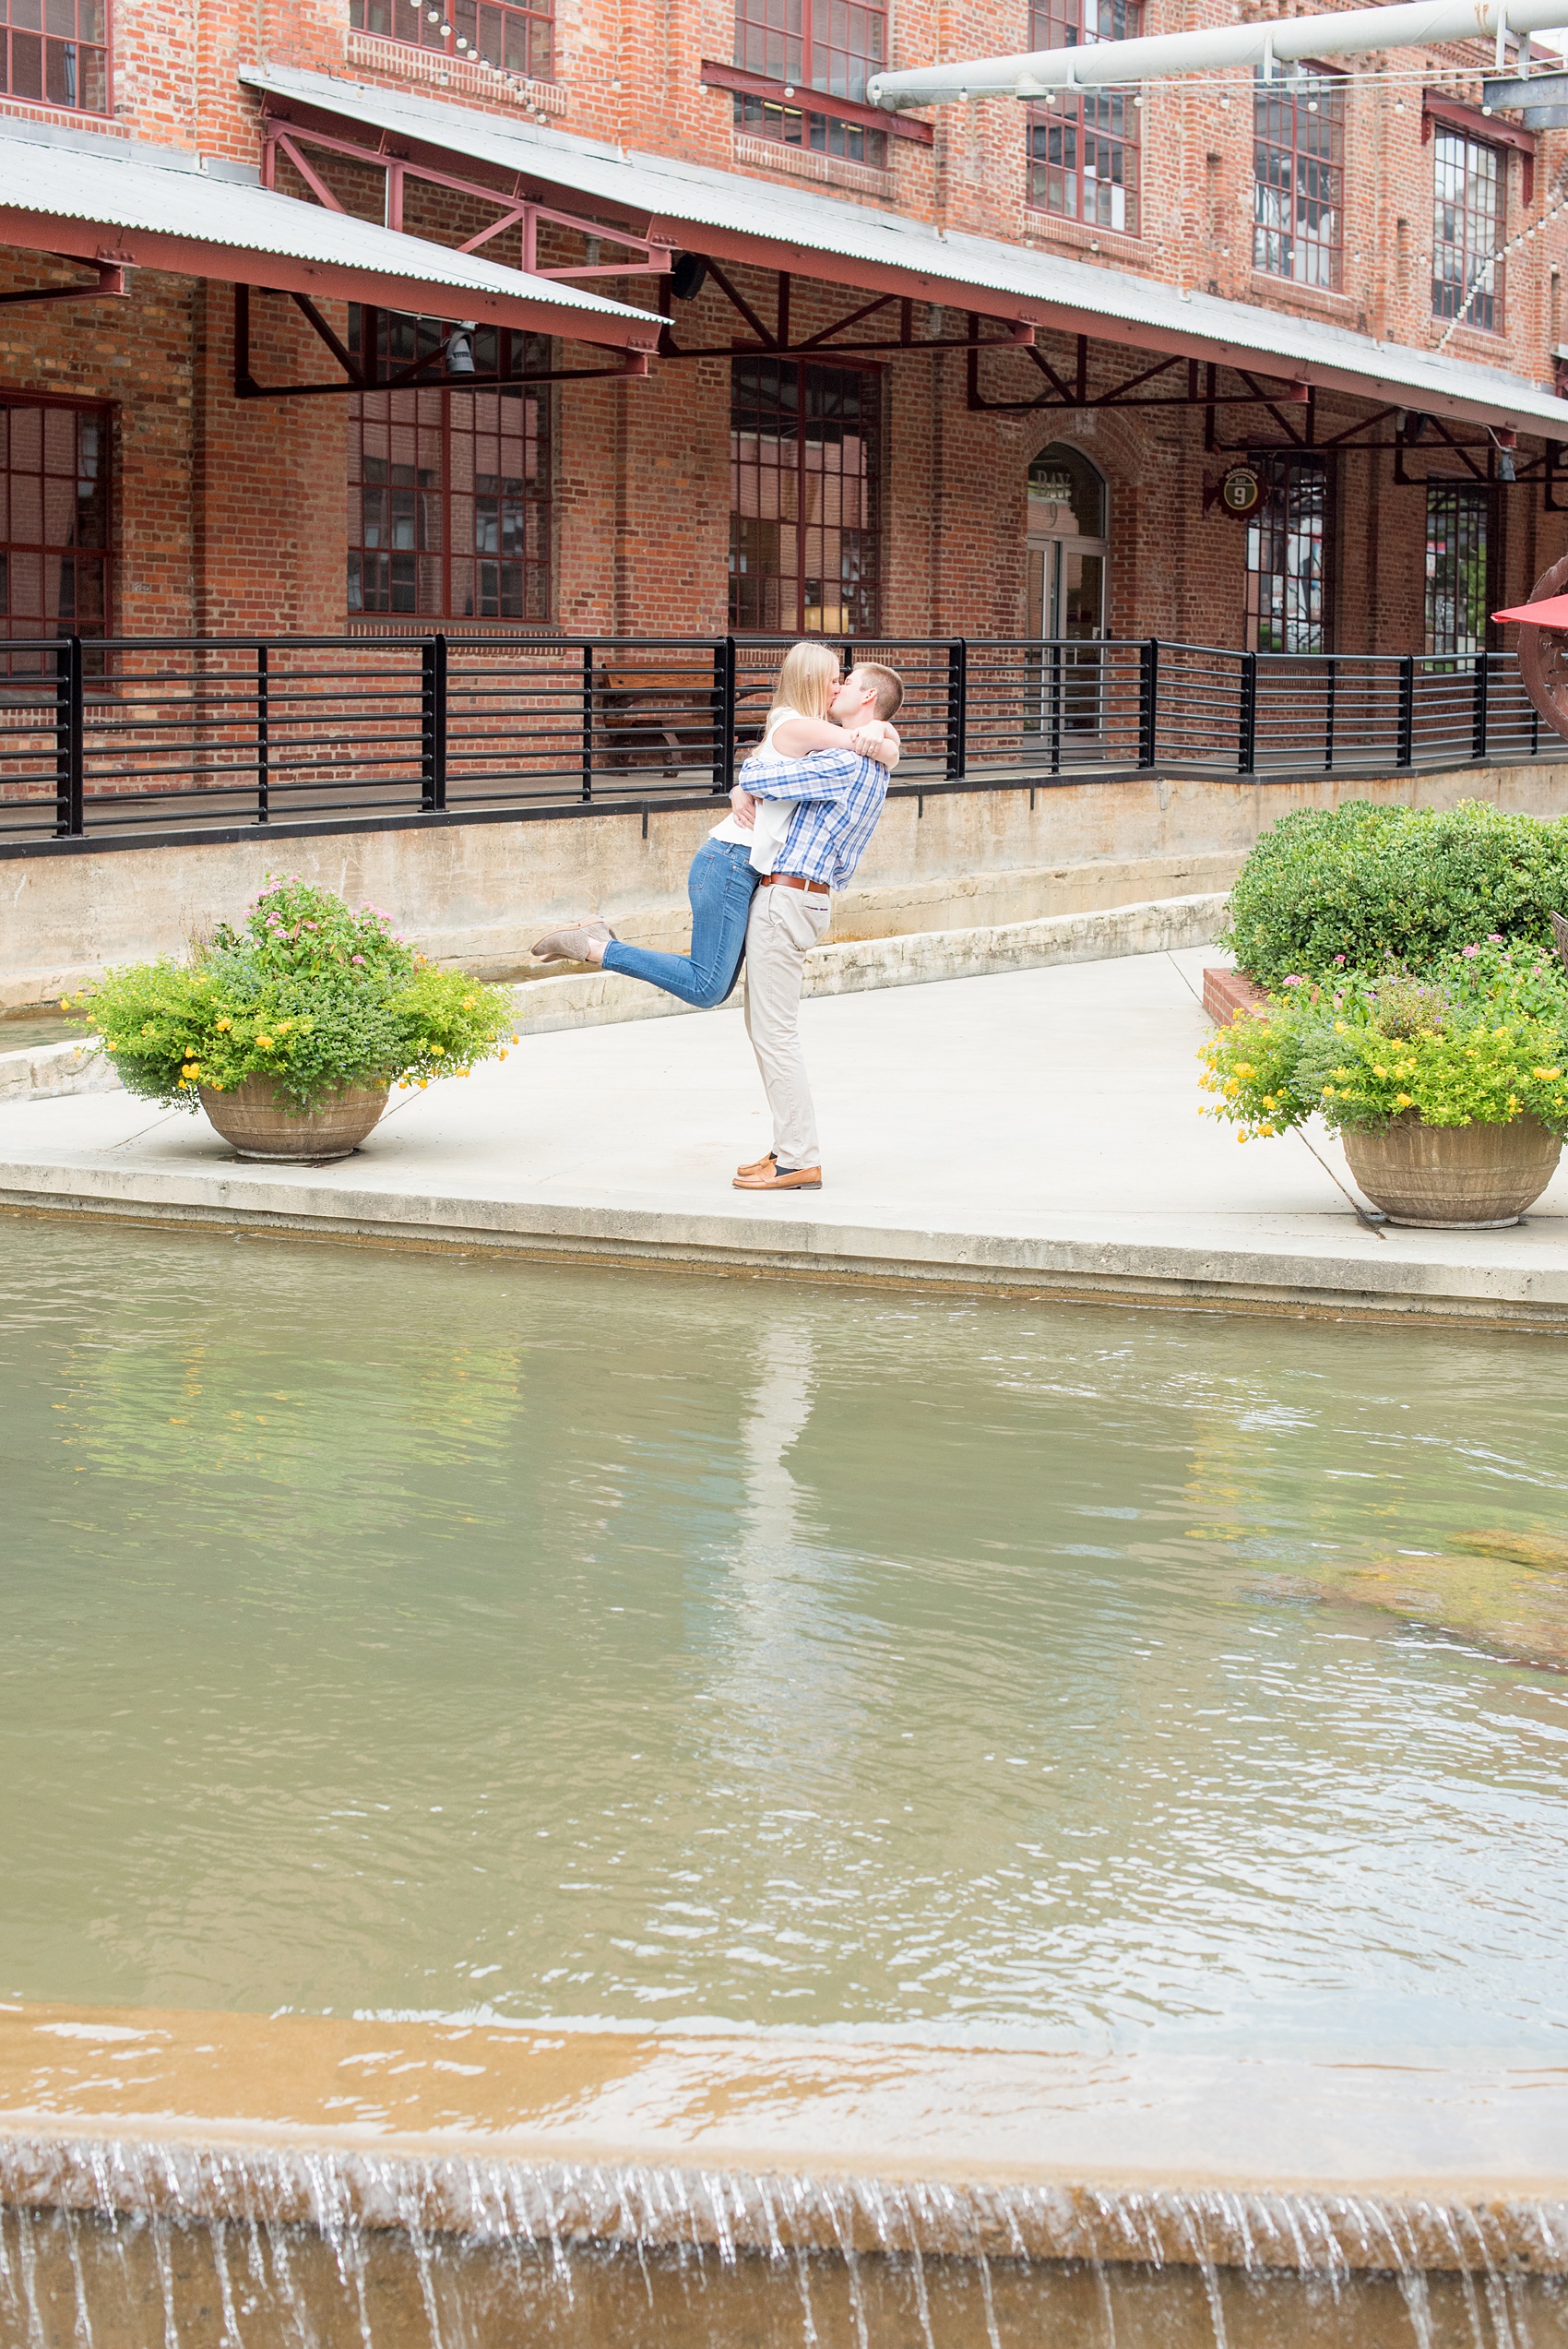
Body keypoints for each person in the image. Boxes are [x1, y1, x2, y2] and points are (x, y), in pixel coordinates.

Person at [529, 641, 899, 1007]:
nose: (838, 687)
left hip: (743, 865)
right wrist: (884, 733)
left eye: (843, 681)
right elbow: (869, 746)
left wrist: (882, 728)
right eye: (834, 679)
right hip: (730, 862)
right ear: (812, 679)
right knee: (706, 986)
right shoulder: (799, 724)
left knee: (713, 988)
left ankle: (594, 943)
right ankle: (594, 947)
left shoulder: (806, 727)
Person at [729, 657, 904, 1193]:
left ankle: (798, 1158)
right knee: (766, 1028)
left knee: (774, 1032)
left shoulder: (846, 763)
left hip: (789, 896)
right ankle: (788, 1145)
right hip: (803, 898)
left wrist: (744, 784)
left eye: (847, 684)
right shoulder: (868, 760)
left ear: (868, 699)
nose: (838, 688)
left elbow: (759, 774)